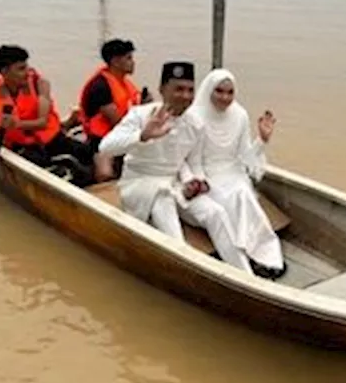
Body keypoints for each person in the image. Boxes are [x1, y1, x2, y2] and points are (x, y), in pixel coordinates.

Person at [98, 61, 254, 275]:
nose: (185, 95)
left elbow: (194, 162)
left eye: (190, 90)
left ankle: (246, 276)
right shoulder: (141, 115)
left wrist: (195, 181)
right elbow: (105, 147)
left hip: (175, 184)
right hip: (141, 183)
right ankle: (185, 270)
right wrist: (143, 135)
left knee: (215, 212)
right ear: (163, 89)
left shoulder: (195, 123)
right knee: (165, 206)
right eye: (178, 89)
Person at [185, 69, 285, 278]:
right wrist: (200, 182)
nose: (225, 97)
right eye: (219, 91)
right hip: (207, 175)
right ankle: (242, 255)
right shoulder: (194, 117)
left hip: (233, 173)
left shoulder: (240, 115)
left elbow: (245, 157)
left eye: (230, 92)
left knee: (243, 196)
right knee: (232, 199)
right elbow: (192, 160)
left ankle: (267, 256)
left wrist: (262, 140)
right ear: (209, 90)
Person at [0, 44, 96, 185]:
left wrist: (16, 124)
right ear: (4, 71)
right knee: (38, 162)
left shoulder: (40, 84)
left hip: (52, 140)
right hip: (21, 147)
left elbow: (43, 122)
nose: (27, 72)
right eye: (21, 69)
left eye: (27, 67)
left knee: (88, 153)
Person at [77, 39, 140, 179]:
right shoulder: (100, 87)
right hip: (102, 140)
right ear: (116, 62)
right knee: (105, 173)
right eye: (128, 58)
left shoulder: (124, 83)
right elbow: (116, 121)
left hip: (125, 133)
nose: (133, 62)